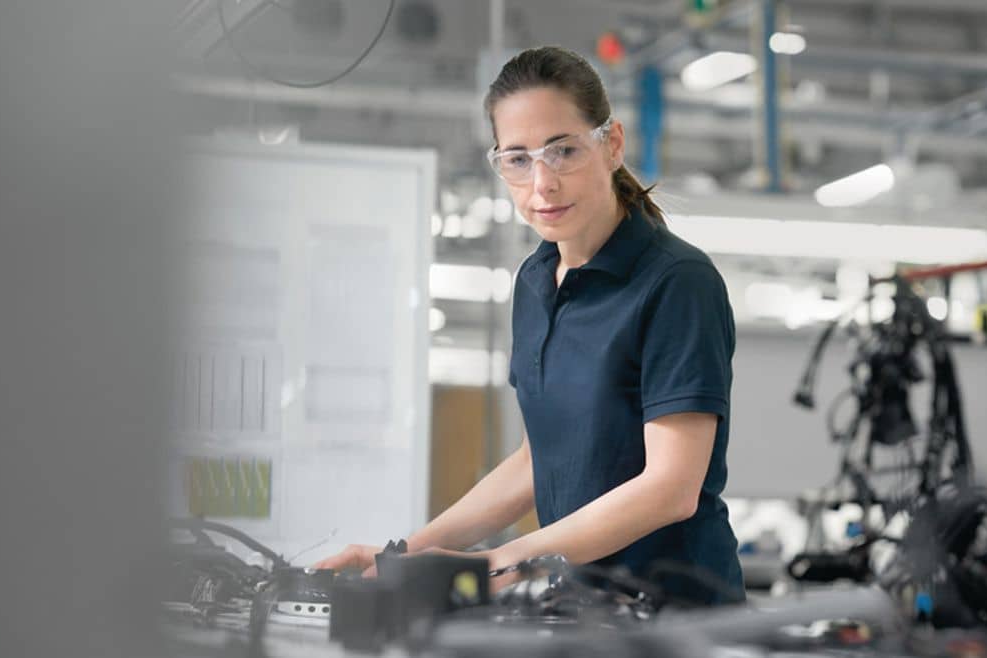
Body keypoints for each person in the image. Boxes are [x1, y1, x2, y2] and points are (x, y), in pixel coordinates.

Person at [316, 45, 744, 607]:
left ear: (611, 144)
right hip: (584, 610)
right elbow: (535, 462)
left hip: (680, 614)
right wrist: (403, 559)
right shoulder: (537, 281)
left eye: (562, 150)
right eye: (517, 159)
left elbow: (671, 490)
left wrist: (497, 565)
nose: (541, 183)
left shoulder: (676, 282)